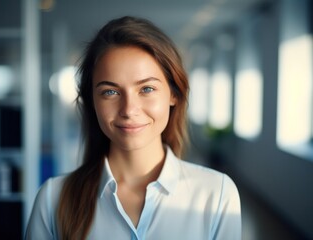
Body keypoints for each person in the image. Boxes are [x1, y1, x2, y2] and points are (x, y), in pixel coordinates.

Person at [25, 16, 241, 240]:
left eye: (146, 89)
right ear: (92, 102)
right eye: (110, 92)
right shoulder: (53, 199)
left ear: (174, 94)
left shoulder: (216, 194)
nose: (128, 109)